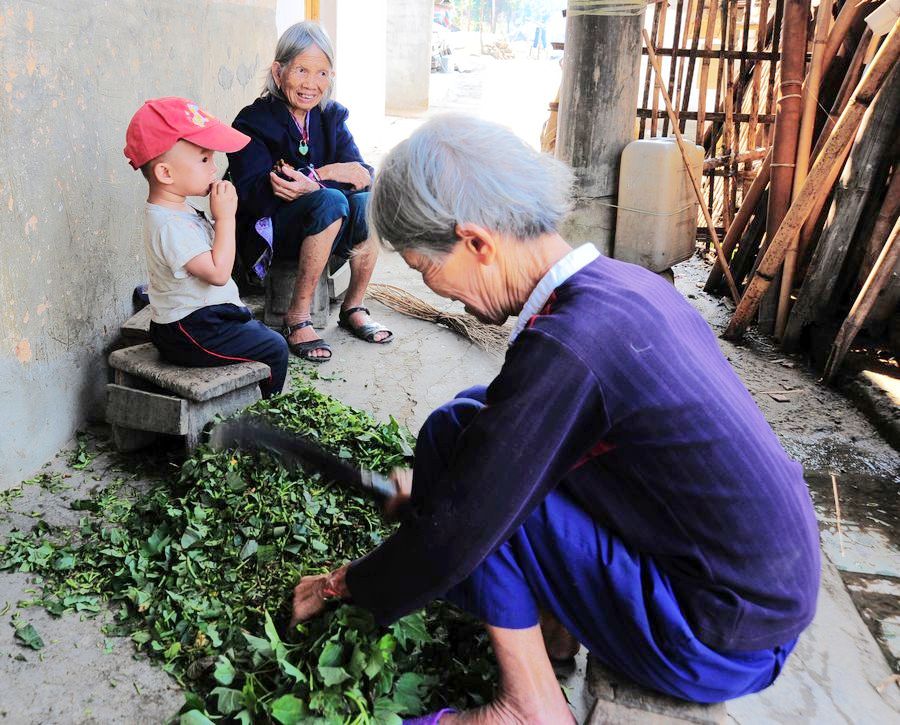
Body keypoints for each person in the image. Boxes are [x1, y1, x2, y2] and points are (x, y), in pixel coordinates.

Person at [289, 115, 821, 722]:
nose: (437, 292)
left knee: (485, 505)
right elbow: (488, 433)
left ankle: (529, 706)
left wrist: (345, 582)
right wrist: (433, 492)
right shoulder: (620, 287)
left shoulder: (571, 346)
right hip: (744, 595)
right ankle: (553, 631)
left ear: (478, 243)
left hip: (713, 635)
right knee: (461, 423)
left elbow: (464, 521)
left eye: (423, 270)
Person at [227, 21, 392, 363]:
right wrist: (324, 181)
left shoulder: (330, 116)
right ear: (279, 71)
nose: (310, 84)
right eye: (301, 70)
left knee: (370, 202)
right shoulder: (252, 121)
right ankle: (297, 317)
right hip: (270, 233)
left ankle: (353, 306)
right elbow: (249, 194)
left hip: (325, 229)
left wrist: (315, 178)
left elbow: (362, 175)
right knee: (332, 200)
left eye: (321, 73)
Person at [124, 97, 289, 398]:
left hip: (201, 318)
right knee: (274, 348)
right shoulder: (169, 225)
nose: (214, 169)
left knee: (254, 329)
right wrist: (226, 217)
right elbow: (218, 273)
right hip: (190, 331)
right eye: (204, 160)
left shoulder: (178, 209)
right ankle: (264, 413)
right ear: (165, 174)